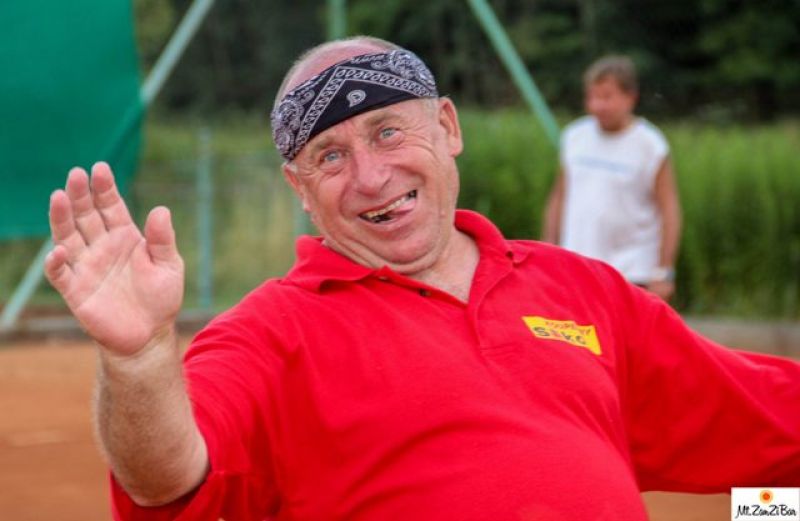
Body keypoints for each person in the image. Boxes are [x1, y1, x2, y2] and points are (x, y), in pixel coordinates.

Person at [45, 36, 799, 521]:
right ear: (299, 189)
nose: (372, 177)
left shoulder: (584, 290)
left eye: (387, 132)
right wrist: (138, 360)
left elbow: (765, 429)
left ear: (448, 127)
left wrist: (768, 512)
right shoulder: (270, 335)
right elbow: (167, 480)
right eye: (330, 157)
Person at [542, 55, 682, 301]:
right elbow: (559, 197)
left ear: (630, 97)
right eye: (592, 97)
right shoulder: (575, 136)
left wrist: (664, 270)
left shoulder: (650, 145)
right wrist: (547, 249)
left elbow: (669, 209)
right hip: (578, 266)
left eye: (606, 97)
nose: (597, 105)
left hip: (633, 271)